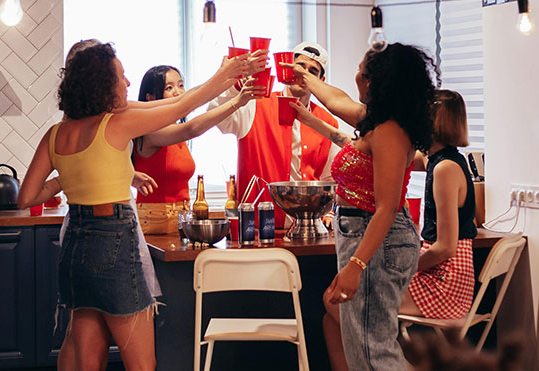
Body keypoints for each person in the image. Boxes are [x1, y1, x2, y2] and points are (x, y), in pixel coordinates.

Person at [17, 41, 263, 371]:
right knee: (142, 365)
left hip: (75, 243)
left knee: (87, 356)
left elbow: (27, 198)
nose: (128, 83)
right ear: (103, 85)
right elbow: (182, 109)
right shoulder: (116, 125)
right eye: (121, 76)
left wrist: (68, 179)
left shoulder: (56, 133)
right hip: (112, 239)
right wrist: (226, 74)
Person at [285, 43, 437, 370]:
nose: (356, 76)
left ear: (375, 81)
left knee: (372, 351)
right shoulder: (377, 120)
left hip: (374, 238)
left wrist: (356, 265)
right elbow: (336, 99)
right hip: (365, 234)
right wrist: (304, 78)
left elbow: (385, 208)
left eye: (361, 71)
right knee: (363, 348)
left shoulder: (390, 130)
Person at [207, 41, 339, 228]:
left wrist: (330, 213)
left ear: (321, 82)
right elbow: (215, 115)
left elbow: (330, 178)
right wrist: (234, 87)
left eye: (312, 71)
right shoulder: (255, 103)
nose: (303, 74)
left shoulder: (326, 122)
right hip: (257, 228)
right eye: (299, 66)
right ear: (286, 68)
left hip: (309, 228)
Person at [133, 65, 261, 234]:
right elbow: (191, 129)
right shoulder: (149, 131)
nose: (178, 93)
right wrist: (236, 102)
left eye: (180, 85)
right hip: (153, 223)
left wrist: (230, 79)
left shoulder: (175, 131)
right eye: (169, 88)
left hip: (182, 219)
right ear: (149, 97)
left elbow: (198, 94)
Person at [399, 89, 477, 319]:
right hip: (439, 271)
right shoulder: (436, 159)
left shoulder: (445, 169)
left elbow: (445, 247)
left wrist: (403, 270)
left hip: (445, 279)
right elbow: (392, 157)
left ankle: (389, 356)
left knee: (357, 304)